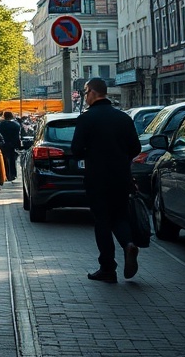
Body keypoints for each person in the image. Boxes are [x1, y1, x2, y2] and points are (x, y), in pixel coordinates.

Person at [71, 78, 142, 283]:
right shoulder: (123, 118)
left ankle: (108, 268)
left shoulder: (87, 118)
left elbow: (76, 150)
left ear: (93, 92)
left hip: (97, 178)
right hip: (121, 177)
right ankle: (128, 244)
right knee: (120, 215)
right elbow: (135, 148)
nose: (85, 96)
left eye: (86, 92)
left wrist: (90, 153)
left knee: (102, 221)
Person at [0, 111, 22, 181]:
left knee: (4, 160)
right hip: (13, 145)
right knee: (13, 160)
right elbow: (18, 136)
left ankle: (6, 174)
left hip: (3, 144)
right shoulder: (16, 125)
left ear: (4, 116)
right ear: (12, 116)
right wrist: (18, 145)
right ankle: (13, 174)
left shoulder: (0, 125)